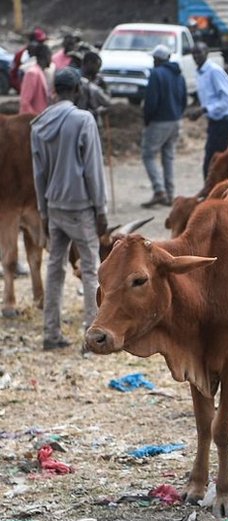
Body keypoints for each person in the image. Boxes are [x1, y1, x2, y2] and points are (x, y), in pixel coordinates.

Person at [31, 67, 108, 351]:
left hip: (53, 206)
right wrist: (101, 210)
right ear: (76, 90)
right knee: (90, 270)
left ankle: (50, 334)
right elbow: (93, 169)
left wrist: (43, 210)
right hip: (81, 207)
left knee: (54, 269)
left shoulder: (39, 124)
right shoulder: (83, 119)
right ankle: (93, 339)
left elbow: (38, 174)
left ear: (54, 90)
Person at [141, 44, 187, 208]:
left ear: (159, 59)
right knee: (168, 157)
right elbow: (184, 100)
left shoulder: (156, 74)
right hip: (176, 120)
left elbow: (151, 101)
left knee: (148, 155)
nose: (153, 61)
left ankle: (159, 190)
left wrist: (147, 119)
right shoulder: (178, 75)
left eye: (154, 59)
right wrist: (178, 114)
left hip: (159, 121)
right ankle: (169, 194)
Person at [187, 43, 228, 180]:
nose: (196, 56)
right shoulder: (200, 72)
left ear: (207, 52)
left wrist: (204, 109)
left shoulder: (214, 71)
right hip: (215, 121)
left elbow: (226, 99)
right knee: (213, 161)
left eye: (199, 53)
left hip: (224, 120)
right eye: (194, 53)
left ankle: (213, 193)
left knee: (213, 162)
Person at [75, 51, 111, 123]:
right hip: (77, 119)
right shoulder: (75, 78)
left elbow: (107, 100)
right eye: (97, 66)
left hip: (93, 120)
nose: (98, 70)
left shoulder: (99, 80)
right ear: (89, 63)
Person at [10, 27, 46, 93]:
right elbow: (13, 74)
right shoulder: (21, 55)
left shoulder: (44, 55)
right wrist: (23, 89)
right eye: (40, 42)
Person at [19, 44, 51, 116]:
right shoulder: (32, 73)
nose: (51, 59)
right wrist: (35, 120)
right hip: (33, 120)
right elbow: (25, 102)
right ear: (45, 56)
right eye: (50, 56)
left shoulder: (40, 72)